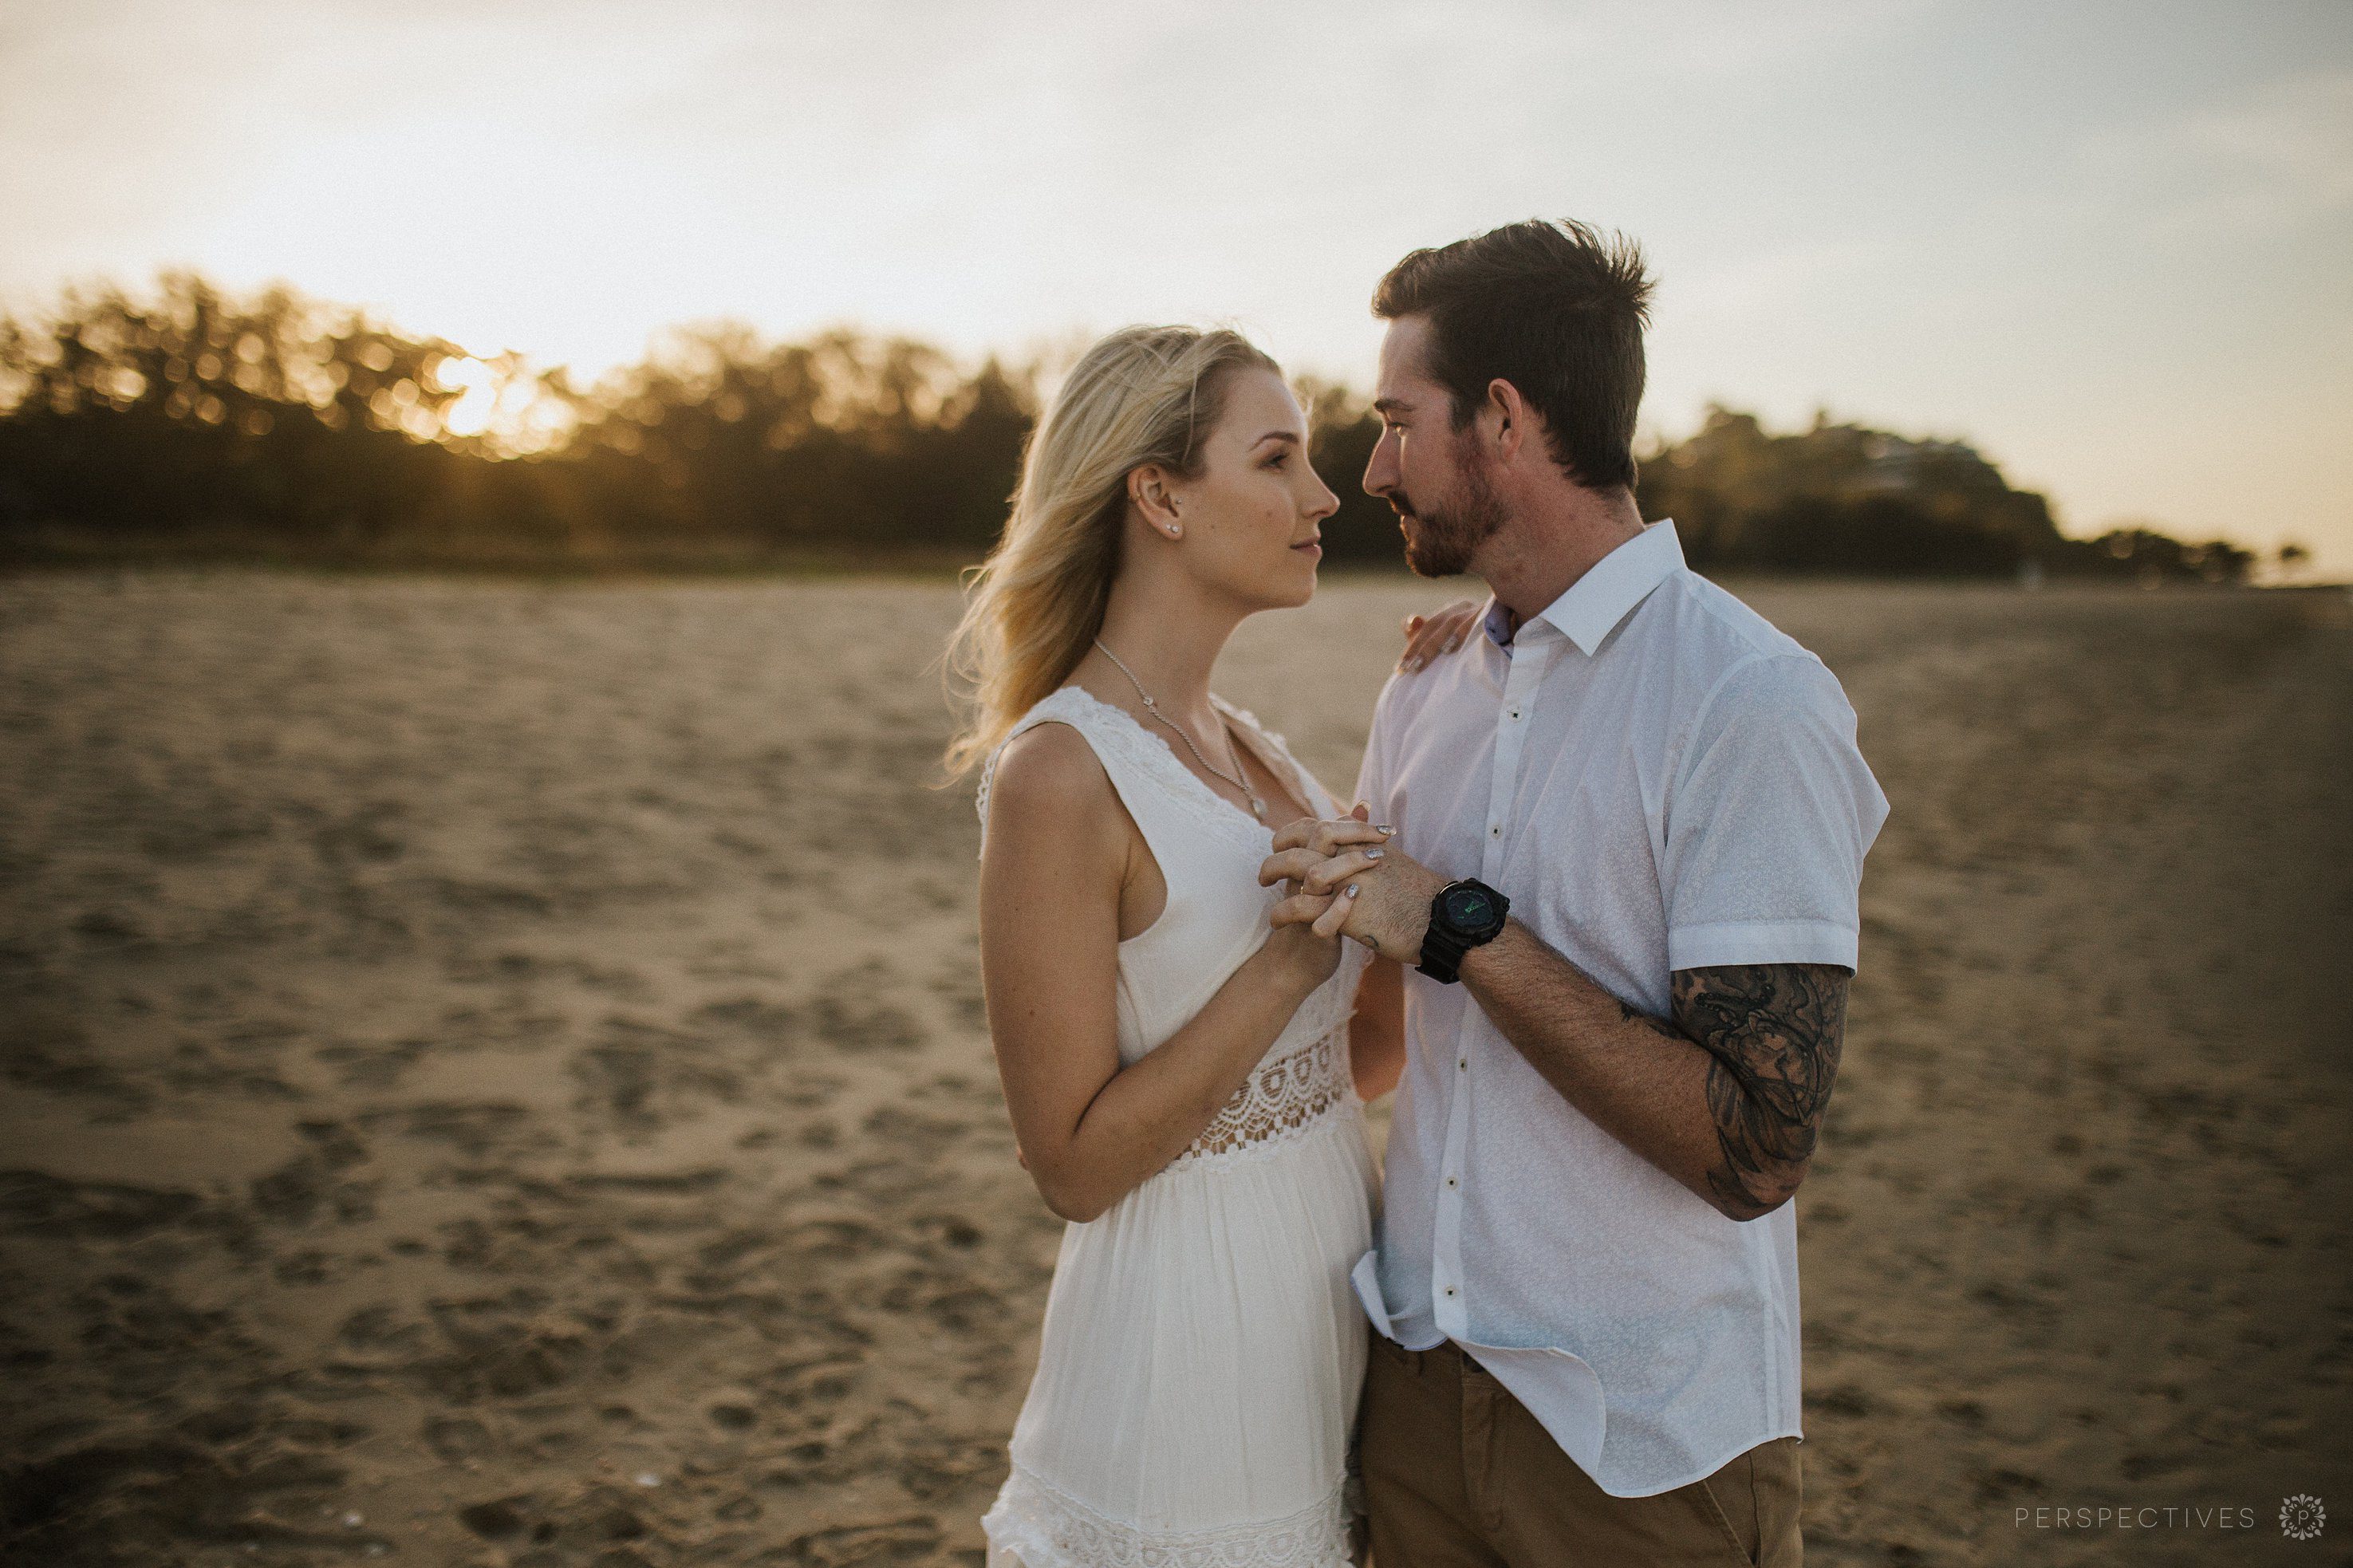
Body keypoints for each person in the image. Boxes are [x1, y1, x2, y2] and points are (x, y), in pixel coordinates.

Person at [1264, 219, 1890, 1566]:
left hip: (1640, 1447)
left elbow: (1754, 1146)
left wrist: (1456, 925)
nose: (1369, 468)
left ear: (1502, 417)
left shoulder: (1748, 700)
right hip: (1416, 1400)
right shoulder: (1424, 687)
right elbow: (1375, 1049)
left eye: (1394, 420)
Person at [944, 325, 1464, 1566]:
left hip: (1321, 1321)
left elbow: (1361, 1062)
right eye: (1278, 459)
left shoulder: (1255, 749)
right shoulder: (1059, 774)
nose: (1324, 494)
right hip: (1182, 1355)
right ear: (1159, 496)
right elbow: (1069, 1165)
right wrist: (1283, 964)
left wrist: (1441, 723)